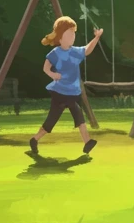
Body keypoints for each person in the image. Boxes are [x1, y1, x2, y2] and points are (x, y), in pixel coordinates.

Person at [30, 16, 101, 156]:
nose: (72, 36)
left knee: (67, 116)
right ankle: (86, 142)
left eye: (73, 33)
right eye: (69, 34)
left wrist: (97, 38)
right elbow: (45, 68)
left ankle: (35, 139)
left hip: (72, 92)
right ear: (60, 37)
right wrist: (53, 75)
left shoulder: (75, 51)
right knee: (60, 118)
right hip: (60, 92)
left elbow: (87, 49)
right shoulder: (55, 53)